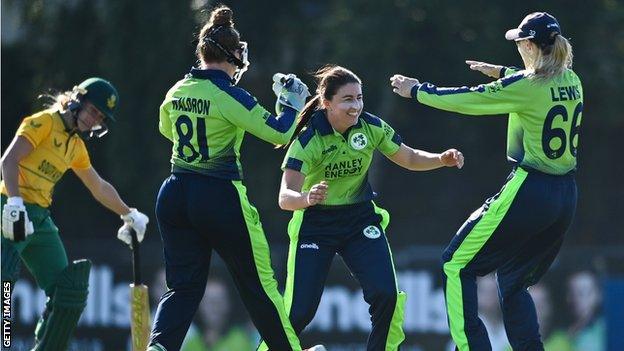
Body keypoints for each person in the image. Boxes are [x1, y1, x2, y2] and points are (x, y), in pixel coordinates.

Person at [390, 11, 581, 351]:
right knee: (512, 281)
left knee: (455, 263)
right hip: (566, 196)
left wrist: (417, 90)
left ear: (530, 45)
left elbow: (470, 99)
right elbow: (538, 86)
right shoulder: (572, 80)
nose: (518, 48)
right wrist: (503, 73)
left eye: (520, 43)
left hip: (531, 189)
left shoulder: (526, 85)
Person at [150, 5, 323, 351]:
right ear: (233, 55)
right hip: (218, 196)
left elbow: (166, 130)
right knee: (258, 285)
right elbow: (279, 132)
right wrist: (290, 103)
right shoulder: (228, 94)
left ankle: (158, 348)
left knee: (182, 288)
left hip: (174, 192)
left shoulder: (177, 90)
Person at [258, 65, 464, 351]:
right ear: (327, 102)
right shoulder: (309, 139)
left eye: (359, 97)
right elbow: (285, 196)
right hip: (316, 224)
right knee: (299, 312)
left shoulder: (371, 126)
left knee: (386, 294)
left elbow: (409, 157)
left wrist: (441, 158)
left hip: (359, 220)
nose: (355, 106)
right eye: (347, 99)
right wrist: (306, 198)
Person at [0, 77, 149, 350]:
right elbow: (8, 161)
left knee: (69, 291)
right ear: (77, 99)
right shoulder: (44, 122)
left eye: (101, 117)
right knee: (4, 278)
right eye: (94, 111)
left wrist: (129, 214)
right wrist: (15, 205)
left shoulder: (75, 147)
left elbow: (99, 186)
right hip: (9, 207)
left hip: (39, 218)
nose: (95, 120)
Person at [566, 270, 606, 351]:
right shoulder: (562, 333)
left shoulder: (606, 330)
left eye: (583, 293)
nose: (576, 299)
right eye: (572, 293)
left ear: (598, 296)